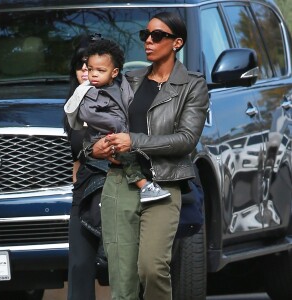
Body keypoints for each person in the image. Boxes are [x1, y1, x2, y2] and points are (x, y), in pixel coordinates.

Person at [92, 12, 210, 299]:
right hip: (120, 183)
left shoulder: (192, 86)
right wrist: (93, 148)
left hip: (164, 186)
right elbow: (99, 121)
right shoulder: (129, 80)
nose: (148, 41)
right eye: (145, 35)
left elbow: (186, 140)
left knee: (152, 268)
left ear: (177, 43)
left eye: (158, 36)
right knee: (122, 279)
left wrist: (134, 141)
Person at [64, 38, 170, 203]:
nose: (93, 74)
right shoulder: (88, 92)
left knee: (132, 155)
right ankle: (144, 186)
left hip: (120, 141)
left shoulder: (121, 85)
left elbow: (128, 104)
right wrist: (117, 126)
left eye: (100, 70)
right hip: (104, 141)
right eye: (90, 69)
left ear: (114, 72)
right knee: (127, 159)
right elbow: (90, 115)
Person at [64, 33, 109, 300]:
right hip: (84, 191)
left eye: (92, 66)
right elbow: (77, 152)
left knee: (123, 267)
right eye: (81, 65)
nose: (85, 71)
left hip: (116, 188)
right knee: (79, 265)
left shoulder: (118, 98)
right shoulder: (73, 102)